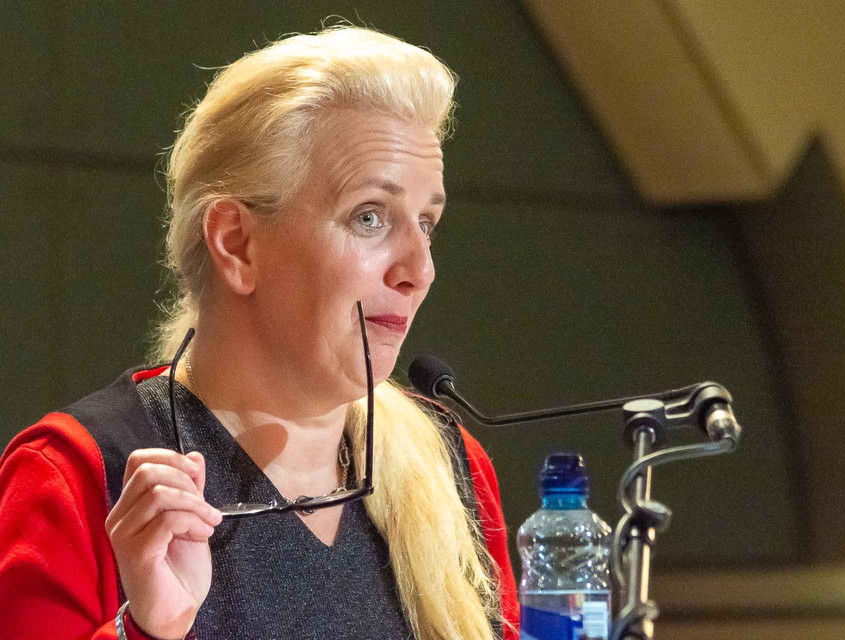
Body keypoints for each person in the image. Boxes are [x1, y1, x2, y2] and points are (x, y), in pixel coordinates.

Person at [0, 25, 520, 640]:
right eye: (370, 217)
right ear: (237, 244)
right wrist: (145, 630)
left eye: (427, 223)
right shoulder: (74, 476)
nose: (419, 270)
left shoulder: (451, 468)